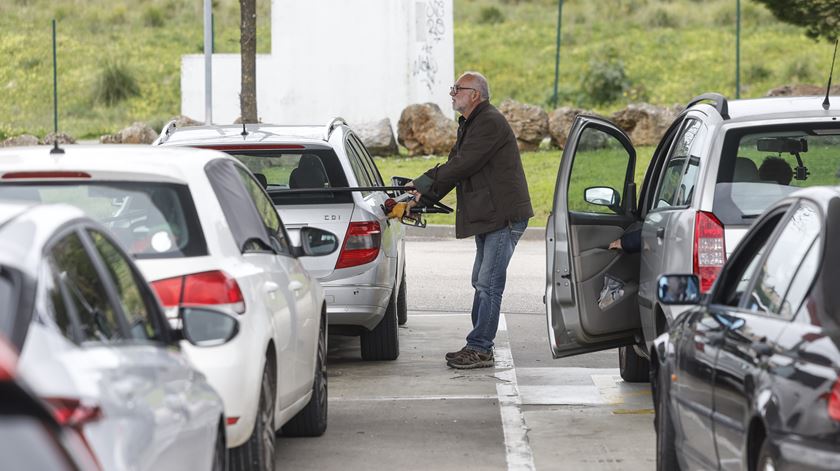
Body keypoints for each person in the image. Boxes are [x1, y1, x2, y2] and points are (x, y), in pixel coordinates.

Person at [408, 72, 533, 369]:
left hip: (503, 216)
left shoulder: (489, 122)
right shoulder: (471, 124)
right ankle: (477, 344)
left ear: (475, 94)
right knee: (480, 281)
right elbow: (454, 166)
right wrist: (420, 198)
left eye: (457, 89)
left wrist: (422, 183)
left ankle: (480, 348)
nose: (452, 94)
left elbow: (464, 164)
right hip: (489, 215)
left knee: (488, 284)